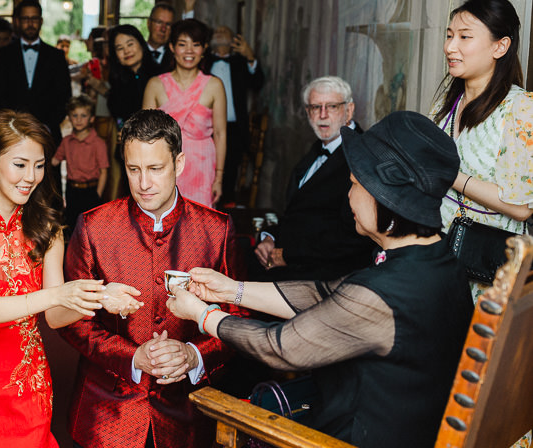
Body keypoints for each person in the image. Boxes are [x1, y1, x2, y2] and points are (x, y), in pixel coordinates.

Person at [167, 110, 474, 448]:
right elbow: (324, 294)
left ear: (383, 196)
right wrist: (231, 290)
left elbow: (280, 348)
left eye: (355, 185)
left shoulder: (384, 293)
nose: (348, 195)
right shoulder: (439, 262)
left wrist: (201, 313)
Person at [0, 110, 143, 448]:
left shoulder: (47, 231)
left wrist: (97, 296)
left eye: (39, 165)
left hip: (27, 383)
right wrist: (60, 294)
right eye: (20, 164)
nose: (30, 177)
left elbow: (55, 315)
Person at [58, 109, 246, 448]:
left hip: (188, 413)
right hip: (104, 412)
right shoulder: (93, 227)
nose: (144, 183)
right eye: (134, 169)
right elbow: (73, 321)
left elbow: (240, 320)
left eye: (156, 169)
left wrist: (194, 355)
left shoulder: (217, 230)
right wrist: (130, 357)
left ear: (180, 164)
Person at [431, 0, 533, 298]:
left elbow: (520, 207)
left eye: (464, 37)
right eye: (449, 36)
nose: (450, 47)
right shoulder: (448, 100)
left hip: (487, 268)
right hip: (437, 253)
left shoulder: (520, 109)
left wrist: (450, 175)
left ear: (500, 46)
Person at [254, 76, 376, 280]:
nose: (322, 115)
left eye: (332, 106)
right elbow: (299, 214)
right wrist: (270, 238)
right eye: (315, 107)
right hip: (293, 259)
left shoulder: (360, 156)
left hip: (327, 274)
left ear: (350, 110)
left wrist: (288, 255)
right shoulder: (319, 147)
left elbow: (354, 237)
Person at [143, 19, 227, 206]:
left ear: (204, 48)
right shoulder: (155, 85)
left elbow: (220, 134)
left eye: (196, 45)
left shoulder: (214, 85)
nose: (189, 51)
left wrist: (219, 178)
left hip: (203, 165)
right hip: (164, 164)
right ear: (172, 47)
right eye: (182, 44)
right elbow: (144, 136)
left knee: (198, 226)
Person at [0, 0, 72, 146]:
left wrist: (46, 126)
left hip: (48, 134)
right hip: (11, 134)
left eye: (34, 19)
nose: (30, 23)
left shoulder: (56, 56)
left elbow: (64, 97)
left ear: (41, 21)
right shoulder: (2, 55)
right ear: (18, 22)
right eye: (25, 19)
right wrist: (14, 126)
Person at [205, 25, 265, 198]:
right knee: (205, 167)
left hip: (234, 129)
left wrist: (250, 57)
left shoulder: (240, 62)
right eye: (216, 30)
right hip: (205, 127)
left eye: (224, 31)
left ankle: (224, 213)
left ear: (233, 41)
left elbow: (258, 83)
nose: (219, 32)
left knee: (229, 171)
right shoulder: (203, 61)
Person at [52, 95, 109, 235]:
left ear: (91, 119)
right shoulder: (66, 141)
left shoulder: (98, 143)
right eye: (74, 115)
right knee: (72, 227)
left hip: (91, 190)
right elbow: (54, 161)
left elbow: (104, 172)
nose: (78, 119)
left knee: (91, 230)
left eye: (83, 115)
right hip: (72, 191)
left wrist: (98, 195)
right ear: (69, 118)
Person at [144, 2, 176, 72]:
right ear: (149, 23)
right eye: (159, 22)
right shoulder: (136, 52)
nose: (163, 29)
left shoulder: (175, 56)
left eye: (168, 24)